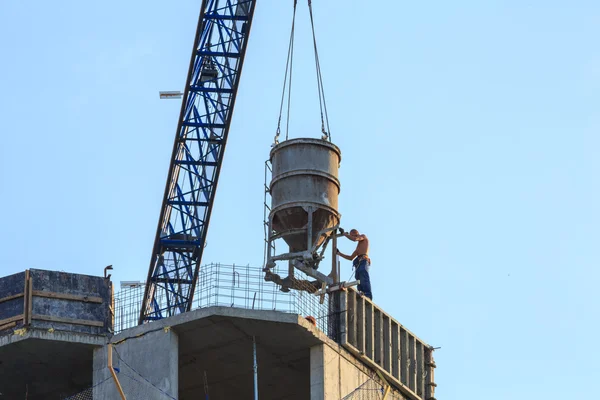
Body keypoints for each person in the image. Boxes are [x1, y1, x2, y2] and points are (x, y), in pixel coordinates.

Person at [337, 229, 372, 300]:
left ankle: (367, 295)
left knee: (363, 275)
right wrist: (339, 253)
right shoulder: (358, 248)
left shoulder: (363, 237)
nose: (351, 236)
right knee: (358, 277)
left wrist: (344, 234)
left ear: (355, 233)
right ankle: (361, 293)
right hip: (358, 263)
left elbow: (354, 239)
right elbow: (350, 258)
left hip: (363, 261)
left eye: (352, 235)